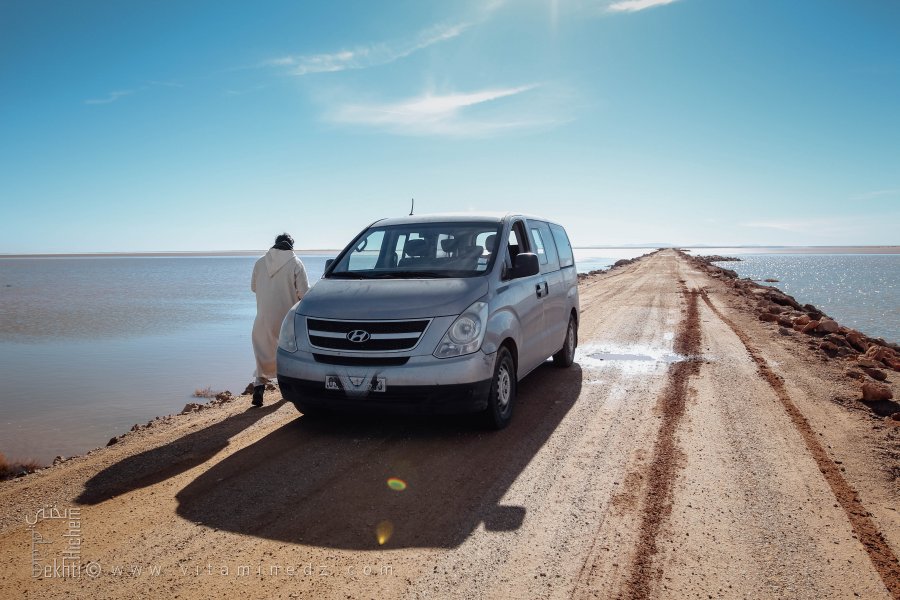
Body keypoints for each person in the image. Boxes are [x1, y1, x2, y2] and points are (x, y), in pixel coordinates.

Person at [250, 233, 309, 406]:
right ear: (291, 245)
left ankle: (259, 387)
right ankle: (288, 391)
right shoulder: (296, 263)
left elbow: (254, 287)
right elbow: (304, 293)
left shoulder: (259, 263)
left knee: (263, 355)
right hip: (286, 319)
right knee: (288, 355)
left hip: (262, 319)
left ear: (275, 245)